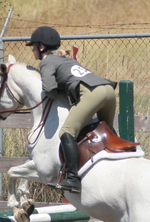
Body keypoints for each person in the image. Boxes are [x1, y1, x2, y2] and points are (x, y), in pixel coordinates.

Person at [27, 26, 117, 193]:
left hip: (92, 94)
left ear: (41, 47)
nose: (32, 50)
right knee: (107, 132)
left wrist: (57, 93)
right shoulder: (68, 61)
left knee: (67, 132)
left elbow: (49, 89)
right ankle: (118, 164)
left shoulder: (46, 62)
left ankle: (73, 178)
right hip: (108, 90)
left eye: (33, 47)